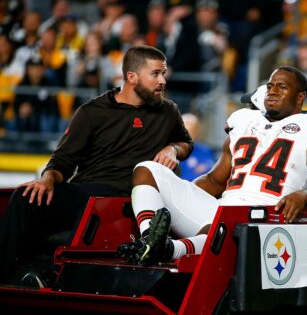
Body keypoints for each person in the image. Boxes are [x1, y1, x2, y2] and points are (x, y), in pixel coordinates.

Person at [0, 45, 193, 284]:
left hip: (127, 197)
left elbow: (186, 143)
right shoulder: (92, 112)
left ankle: (48, 275)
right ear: (131, 77)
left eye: (163, 73)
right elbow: (63, 160)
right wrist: (47, 179)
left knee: (90, 208)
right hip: (89, 190)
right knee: (25, 196)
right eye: (155, 74)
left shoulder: (168, 111)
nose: (162, 80)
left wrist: (173, 149)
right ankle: (12, 276)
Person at [118, 66, 307, 266]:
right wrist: (180, 195)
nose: (272, 91)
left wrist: (305, 195)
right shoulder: (244, 122)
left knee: (220, 226)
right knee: (147, 169)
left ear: (300, 97)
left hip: (263, 216)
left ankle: (169, 249)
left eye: (281, 87)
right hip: (223, 207)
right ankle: (149, 240)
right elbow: (215, 181)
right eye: (270, 85)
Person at [179, 113, 216, 181]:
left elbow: (209, 171)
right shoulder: (170, 152)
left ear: (197, 131)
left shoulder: (205, 151)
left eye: (192, 131)